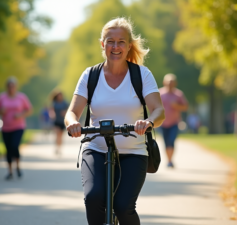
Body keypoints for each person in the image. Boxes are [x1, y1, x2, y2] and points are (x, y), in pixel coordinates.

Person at [64, 18, 165, 225]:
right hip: (96, 149)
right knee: (93, 199)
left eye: (121, 42)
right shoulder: (90, 75)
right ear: (103, 44)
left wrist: (148, 122)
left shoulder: (141, 75)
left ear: (129, 46)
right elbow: (71, 112)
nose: (115, 46)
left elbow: (158, 110)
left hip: (134, 152)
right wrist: (72, 123)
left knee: (122, 206)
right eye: (110, 41)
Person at [0, 77, 33, 180]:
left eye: (13, 86)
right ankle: (10, 171)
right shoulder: (2, 97)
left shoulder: (21, 97)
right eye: (9, 86)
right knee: (8, 149)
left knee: (14, 146)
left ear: (16, 87)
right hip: (5, 128)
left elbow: (29, 110)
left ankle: (18, 167)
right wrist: (1, 111)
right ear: (6, 87)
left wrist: (20, 115)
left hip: (18, 127)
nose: (11, 88)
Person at [159, 74, 188, 168]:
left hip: (174, 123)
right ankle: (168, 159)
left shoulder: (178, 94)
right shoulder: (159, 93)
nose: (170, 84)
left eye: (171, 82)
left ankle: (170, 161)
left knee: (171, 141)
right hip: (162, 123)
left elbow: (185, 107)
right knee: (166, 142)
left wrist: (177, 106)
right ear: (164, 82)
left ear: (175, 83)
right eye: (168, 82)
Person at [51, 90, 68, 155]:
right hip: (56, 121)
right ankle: (56, 148)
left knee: (61, 136)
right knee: (57, 135)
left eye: (60, 95)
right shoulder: (54, 103)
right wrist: (52, 114)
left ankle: (59, 148)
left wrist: (65, 112)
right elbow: (51, 110)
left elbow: (69, 110)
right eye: (58, 95)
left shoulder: (64, 103)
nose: (59, 96)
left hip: (62, 121)